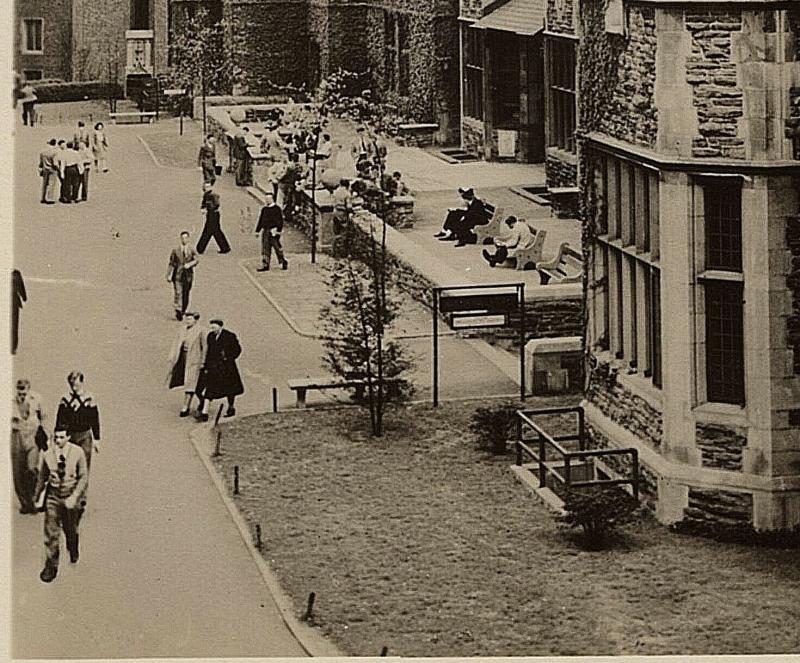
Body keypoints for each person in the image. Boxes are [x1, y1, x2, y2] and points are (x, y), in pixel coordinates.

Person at [34, 427, 88, 582]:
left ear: (68, 437)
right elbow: (42, 476)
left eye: (62, 437)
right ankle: (51, 565)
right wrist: (37, 495)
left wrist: (75, 497)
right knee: (51, 532)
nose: (58, 440)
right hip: (54, 496)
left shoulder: (77, 453)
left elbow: (83, 477)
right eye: (56, 437)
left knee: (70, 529)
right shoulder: (48, 455)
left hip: (70, 495)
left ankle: (73, 546)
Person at [55, 370, 100, 519]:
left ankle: (81, 500)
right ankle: (69, 495)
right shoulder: (65, 399)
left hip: (85, 436)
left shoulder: (89, 398)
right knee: (68, 465)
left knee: (84, 467)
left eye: (76, 382)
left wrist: (97, 439)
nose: (74, 385)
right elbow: (60, 418)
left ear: (82, 382)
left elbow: (94, 418)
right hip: (70, 436)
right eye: (72, 383)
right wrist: (57, 437)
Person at [196, 319, 245, 421]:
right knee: (209, 388)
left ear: (220, 326)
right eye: (211, 327)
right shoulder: (210, 336)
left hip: (227, 368)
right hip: (214, 367)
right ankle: (204, 413)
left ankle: (231, 407)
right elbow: (209, 352)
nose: (212, 329)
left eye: (214, 327)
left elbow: (237, 349)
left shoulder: (229, 336)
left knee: (230, 390)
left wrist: (227, 357)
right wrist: (206, 365)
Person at [11, 379, 46, 514]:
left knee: (32, 469)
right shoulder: (10, 401)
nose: (21, 393)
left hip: (32, 435)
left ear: (29, 389)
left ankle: (33, 498)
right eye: (19, 390)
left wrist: (43, 432)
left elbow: (44, 416)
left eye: (24, 390)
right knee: (18, 471)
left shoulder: (36, 399)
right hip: (16, 435)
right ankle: (25, 503)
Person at [167, 312, 207, 417]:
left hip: (194, 361)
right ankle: (198, 402)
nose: (187, 321)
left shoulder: (201, 331)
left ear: (195, 320)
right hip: (183, 358)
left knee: (191, 384)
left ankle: (186, 406)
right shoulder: (182, 329)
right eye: (187, 319)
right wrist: (172, 356)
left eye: (190, 319)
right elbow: (176, 343)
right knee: (186, 382)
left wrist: (203, 361)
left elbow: (205, 348)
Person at [167, 231, 199, 320]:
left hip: (188, 276)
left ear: (188, 239)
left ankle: (183, 309)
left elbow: (196, 260)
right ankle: (178, 310)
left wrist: (190, 264)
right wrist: (169, 274)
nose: (184, 240)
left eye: (186, 238)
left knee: (186, 293)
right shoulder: (175, 250)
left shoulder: (191, 249)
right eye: (182, 238)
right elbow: (172, 263)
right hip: (178, 275)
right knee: (178, 292)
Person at [255, 192, 288, 272]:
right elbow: (261, 220)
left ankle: (283, 261)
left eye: (269, 199)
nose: (267, 200)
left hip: (274, 231)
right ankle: (265, 264)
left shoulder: (277, 209)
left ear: (272, 199)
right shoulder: (264, 209)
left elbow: (280, 221)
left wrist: (278, 231)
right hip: (266, 230)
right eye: (266, 199)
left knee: (277, 247)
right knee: (265, 248)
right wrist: (257, 230)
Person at [196, 181, 231, 254]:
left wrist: (207, 208)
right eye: (206, 187)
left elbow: (215, 204)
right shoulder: (207, 195)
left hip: (212, 214)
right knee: (216, 231)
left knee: (208, 231)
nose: (207, 188)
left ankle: (200, 248)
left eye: (208, 187)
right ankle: (224, 247)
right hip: (213, 214)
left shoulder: (211, 195)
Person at [39, 139, 59, 204]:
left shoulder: (43, 152)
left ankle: (43, 197)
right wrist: (58, 168)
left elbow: (41, 162)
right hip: (52, 169)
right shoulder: (54, 152)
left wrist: (41, 168)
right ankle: (49, 198)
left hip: (45, 168)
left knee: (44, 183)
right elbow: (55, 163)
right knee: (51, 183)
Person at [11, 269, 27, 355]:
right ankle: (12, 347)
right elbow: (23, 293)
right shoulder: (16, 274)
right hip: (14, 302)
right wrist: (23, 296)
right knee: (14, 326)